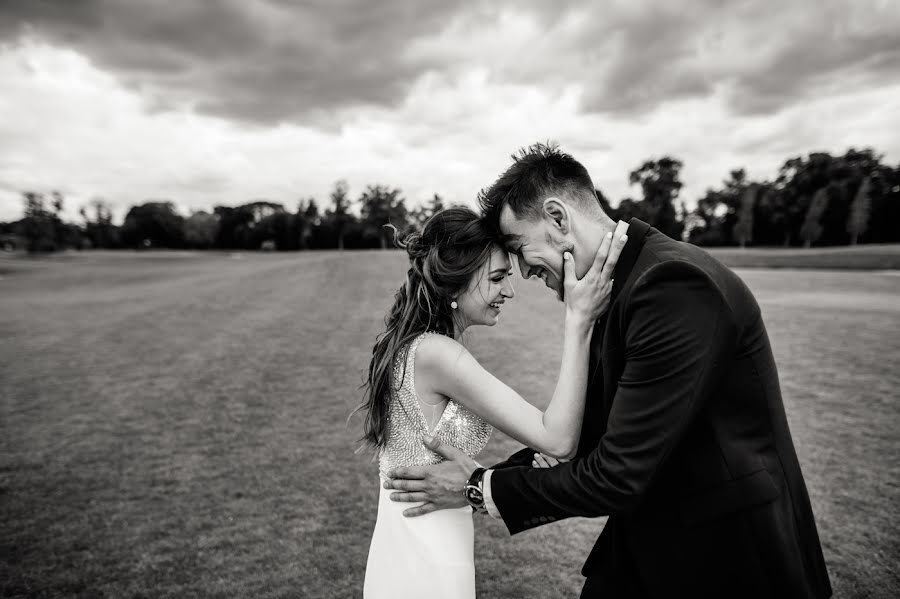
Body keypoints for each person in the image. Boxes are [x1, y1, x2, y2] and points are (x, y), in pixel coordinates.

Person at [385, 144, 833, 598]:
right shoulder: (613, 289)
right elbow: (589, 435)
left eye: (519, 248)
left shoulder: (672, 284)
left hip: (725, 558)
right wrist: (480, 480)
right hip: (649, 546)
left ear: (559, 219)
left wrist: (480, 487)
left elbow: (617, 470)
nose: (519, 270)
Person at [359, 206, 628, 598]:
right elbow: (557, 439)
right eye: (498, 277)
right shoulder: (439, 355)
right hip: (429, 550)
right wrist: (579, 320)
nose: (510, 290)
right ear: (454, 283)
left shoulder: (409, 345)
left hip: (409, 538)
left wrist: (487, 476)